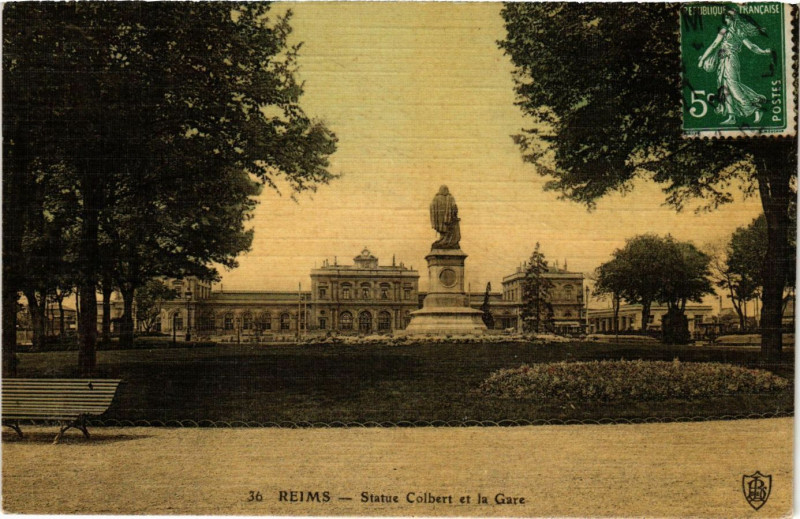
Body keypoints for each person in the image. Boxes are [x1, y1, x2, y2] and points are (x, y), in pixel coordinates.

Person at [698, 9, 772, 124]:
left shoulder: (727, 30)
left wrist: (702, 59)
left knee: (733, 87)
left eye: (727, 18)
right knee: (724, 88)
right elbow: (751, 46)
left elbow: (713, 45)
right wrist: (763, 52)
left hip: (730, 60)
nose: (726, 20)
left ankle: (755, 109)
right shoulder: (738, 31)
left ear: (729, 18)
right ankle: (732, 116)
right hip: (724, 60)